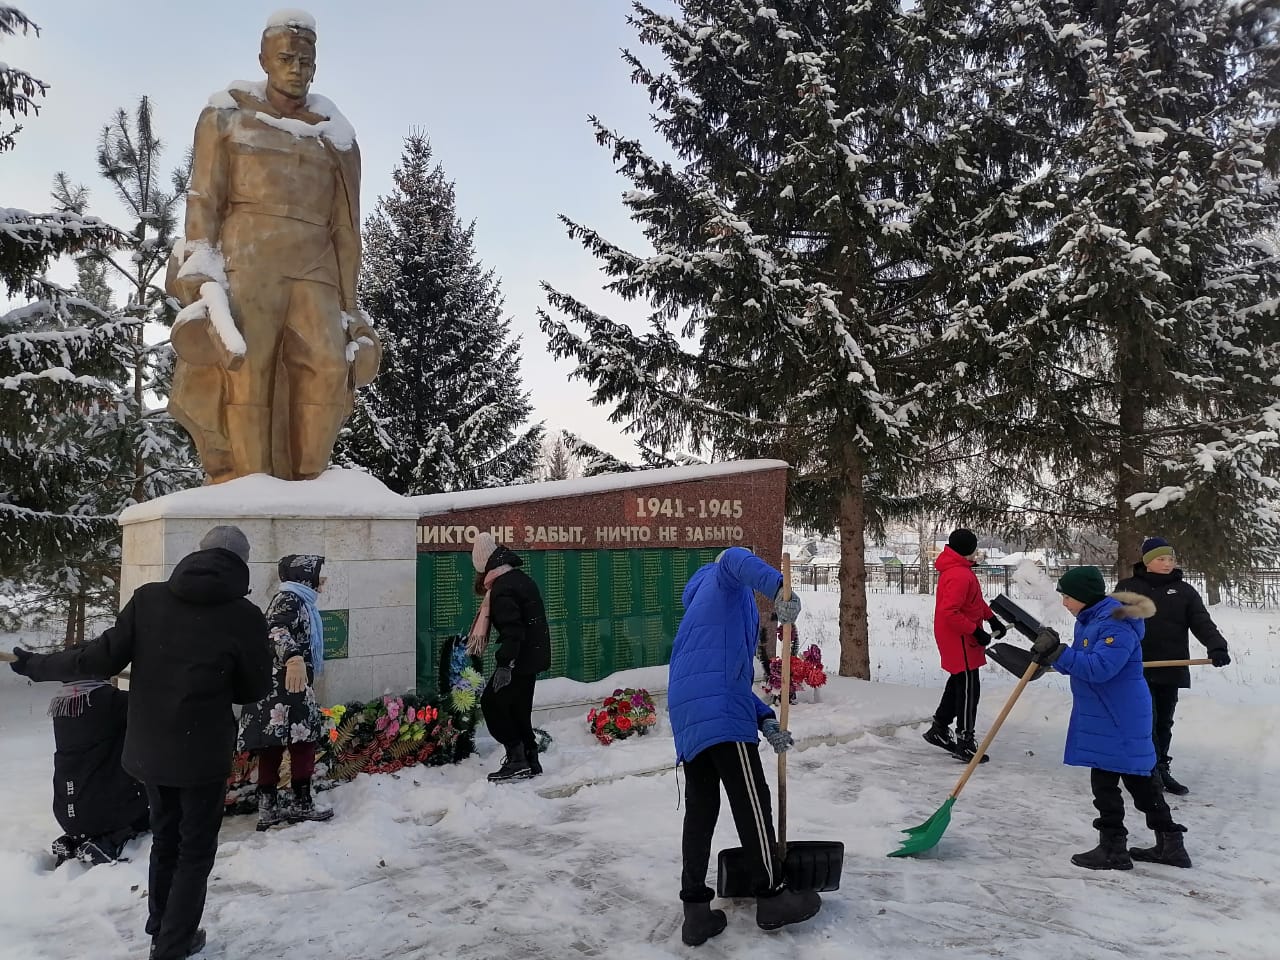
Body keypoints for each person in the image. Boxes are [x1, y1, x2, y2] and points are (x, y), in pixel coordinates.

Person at [9, 525, 271, 960]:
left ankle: (160, 929)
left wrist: (37, 665)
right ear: (242, 564)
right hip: (202, 756)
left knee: (166, 838)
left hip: (150, 750)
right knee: (194, 851)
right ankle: (173, 945)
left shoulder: (150, 599)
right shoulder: (245, 616)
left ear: (197, 554)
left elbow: (97, 658)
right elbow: (254, 689)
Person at [166, 11, 380, 483]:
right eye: (286, 58)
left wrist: (350, 305)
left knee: (330, 365)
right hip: (247, 256)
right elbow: (204, 197)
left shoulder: (336, 136)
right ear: (263, 59)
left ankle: (309, 485)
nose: (297, 69)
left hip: (316, 264)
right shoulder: (227, 114)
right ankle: (251, 485)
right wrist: (201, 262)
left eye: (306, 61)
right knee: (248, 368)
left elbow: (347, 227)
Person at [668, 547, 820, 947]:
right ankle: (772, 895)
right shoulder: (723, 578)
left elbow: (721, 678)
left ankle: (695, 912)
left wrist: (764, 718)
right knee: (751, 799)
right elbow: (734, 558)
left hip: (690, 713)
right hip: (719, 710)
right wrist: (782, 589)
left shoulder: (701, 607)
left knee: (701, 810)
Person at [1031, 566, 1192, 871]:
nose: (1064, 602)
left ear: (1084, 596)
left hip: (1119, 716)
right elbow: (1083, 662)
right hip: (1108, 713)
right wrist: (1053, 655)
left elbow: (1099, 669)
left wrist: (1060, 653)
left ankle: (1114, 849)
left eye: (1068, 596)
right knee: (1138, 782)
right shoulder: (1092, 621)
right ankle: (1169, 844)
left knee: (1112, 784)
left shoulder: (1115, 625)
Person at [1115, 537, 1230, 795]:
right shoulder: (1128, 588)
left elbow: (1201, 621)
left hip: (1171, 665)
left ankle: (1160, 767)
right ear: (1147, 561)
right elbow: (1112, 623)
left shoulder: (1184, 591)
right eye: (1161, 559)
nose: (1168, 563)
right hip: (1136, 667)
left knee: (1164, 722)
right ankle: (1150, 771)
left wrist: (1217, 647)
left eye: (1170, 558)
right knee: (1146, 721)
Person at [238, 554, 334, 829]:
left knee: (274, 744)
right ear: (305, 576)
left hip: (281, 686)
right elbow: (275, 630)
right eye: (318, 574)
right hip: (285, 685)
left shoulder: (298, 599)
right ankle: (300, 803)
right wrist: (293, 658)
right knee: (302, 742)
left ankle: (268, 806)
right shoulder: (290, 599)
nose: (323, 580)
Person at [470, 533, 552, 782]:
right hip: (531, 656)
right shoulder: (518, 578)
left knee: (491, 704)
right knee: (518, 709)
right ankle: (530, 759)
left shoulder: (502, 588)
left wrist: (505, 664)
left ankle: (517, 759)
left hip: (519, 658)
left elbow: (513, 630)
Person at [923, 529, 1006, 763]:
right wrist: (976, 631)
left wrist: (991, 619)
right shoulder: (959, 575)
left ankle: (939, 728)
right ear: (968, 549)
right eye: (974, 547)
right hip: (959, 638)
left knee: (959, 683)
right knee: (969, 689)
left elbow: (974, 601)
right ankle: (965, 741)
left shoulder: (959, 570)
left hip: (958, 636)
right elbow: (950, 612)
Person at [47, 678, 150, 866]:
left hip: (66, 809)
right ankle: (109, 842)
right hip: (102, 809)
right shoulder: (110, 701)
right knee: (147, 810)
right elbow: (153, 705)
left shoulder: (61, 704)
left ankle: (73, 841)